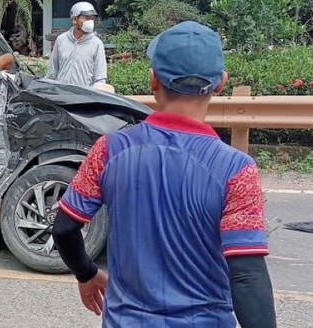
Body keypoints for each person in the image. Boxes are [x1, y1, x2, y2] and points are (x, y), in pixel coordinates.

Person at [51, 21, 276, 328]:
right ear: (220, 83)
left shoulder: (109, 150)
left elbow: (64, 228)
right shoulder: (237, 169)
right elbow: (247, 273)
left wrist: (87, 274)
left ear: (152, 80)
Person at [46, 1, 107, 87]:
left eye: (92, 18)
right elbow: (52, 72)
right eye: (86, 17)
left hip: (84, 96)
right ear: (74, 19)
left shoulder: (96, 43)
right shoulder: (61, 40)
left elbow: (100, 78)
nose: (90, 21)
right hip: (62, 94)